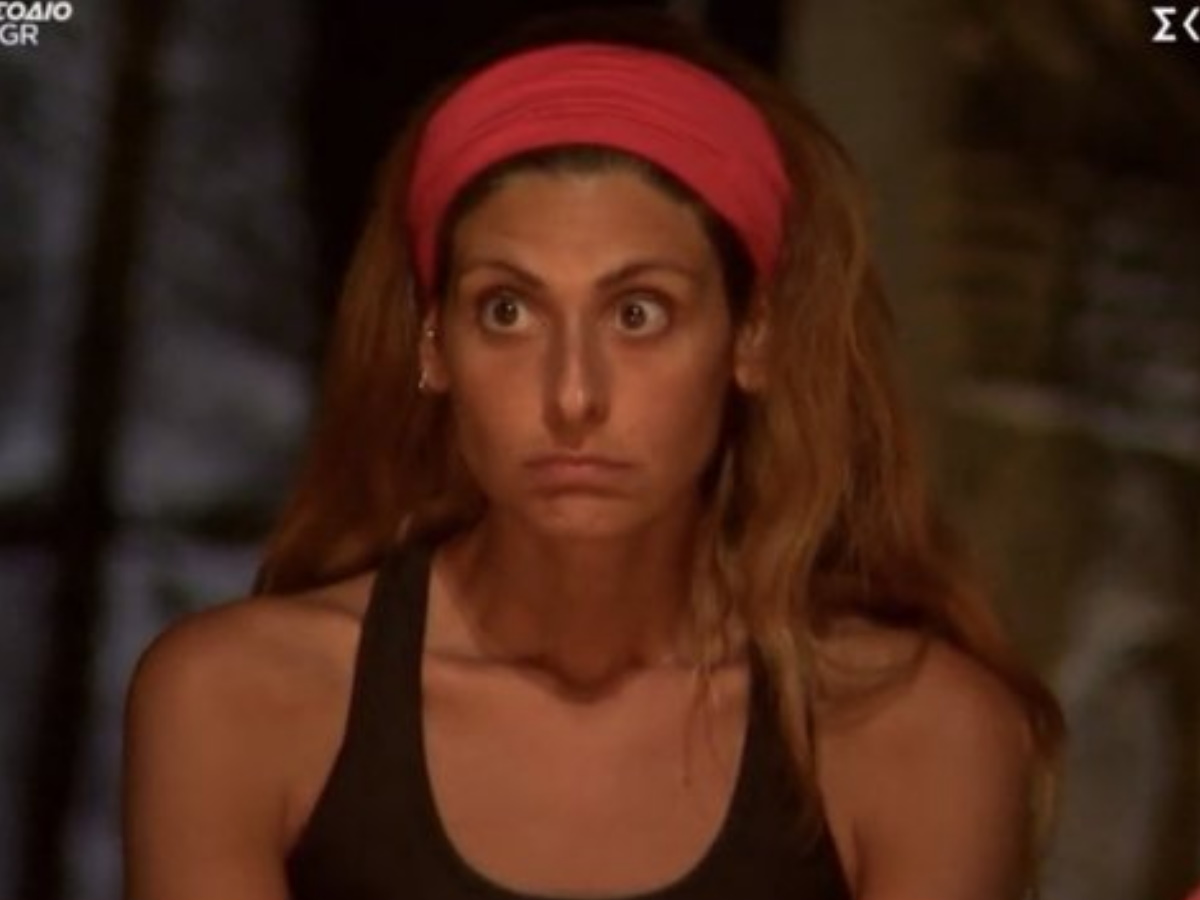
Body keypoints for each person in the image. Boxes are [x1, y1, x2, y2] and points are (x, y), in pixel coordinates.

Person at [122, 9, 1064, 900]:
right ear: (433, 343)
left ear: (752, 337)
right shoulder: (241, 702)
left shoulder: (918, 735)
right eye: (508, 311)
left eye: (639, 313)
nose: (573, 395)